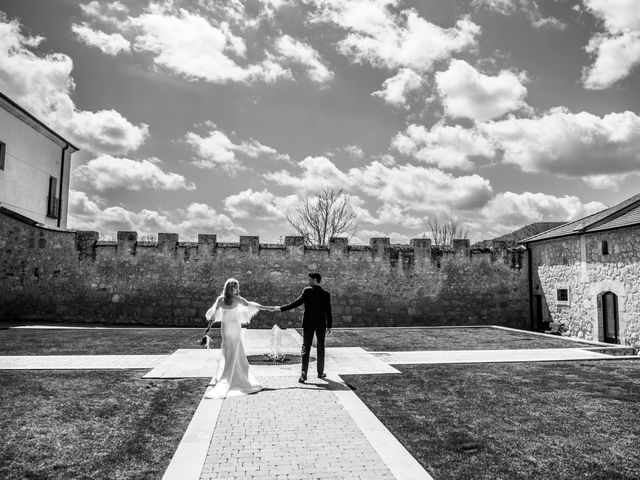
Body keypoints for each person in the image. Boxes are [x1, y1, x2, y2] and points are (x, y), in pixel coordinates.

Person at [203, 278, 278, 399]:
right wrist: (269, 308)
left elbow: (213, 316)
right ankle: (234, 376)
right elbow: (252, 305)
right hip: (235, 327)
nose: (238, 289)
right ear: (231, 288)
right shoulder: (237, 299)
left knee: (227, 350)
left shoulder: (220, 299)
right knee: (235, 349)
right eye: (236, 287)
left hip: (225, 327)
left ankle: (226, 374)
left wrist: (208, 328)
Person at [278, 273, 333, 383]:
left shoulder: (307, 291)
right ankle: (320, 373)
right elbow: (328, 311)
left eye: (310, 279)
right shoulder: (326, 294)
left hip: (308, 323)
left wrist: (281, 308)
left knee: (305, 348)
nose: (308, 281)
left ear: (315, 280)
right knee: (321, 347)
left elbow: (296, 303)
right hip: (321, 323)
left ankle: (304, 375)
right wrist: (329, 325)